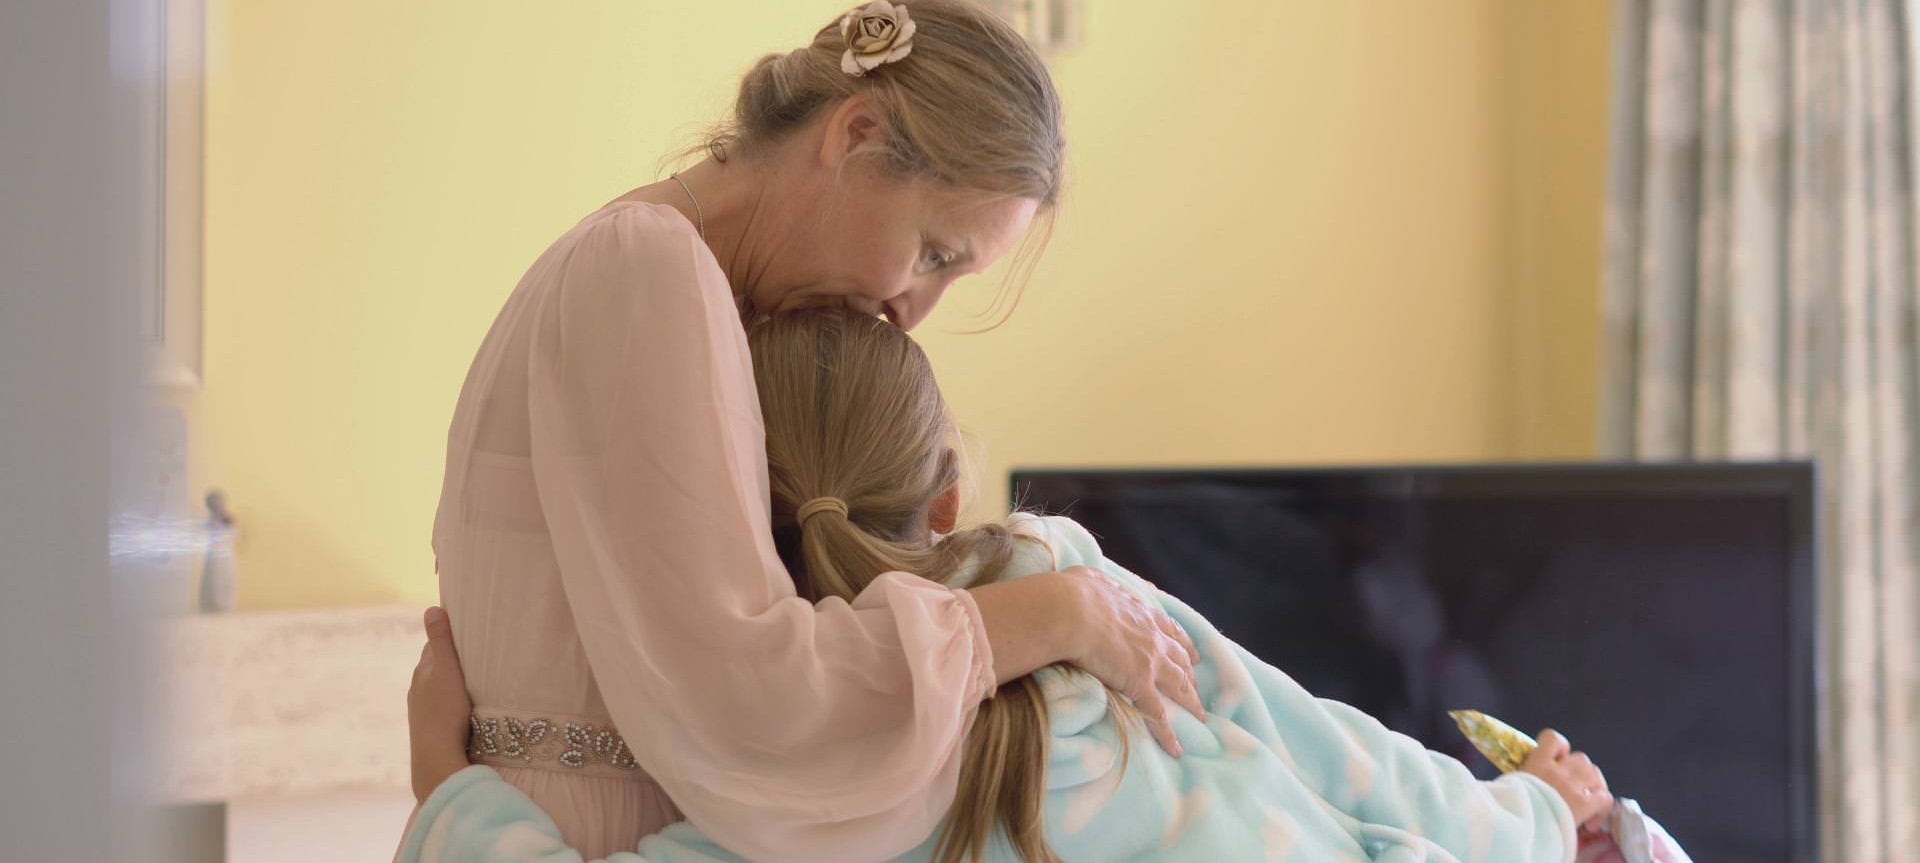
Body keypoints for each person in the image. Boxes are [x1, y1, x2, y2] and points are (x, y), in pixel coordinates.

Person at [427, 0, 1204, 861]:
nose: (913, 311)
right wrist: (1058, 612)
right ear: (856, 133)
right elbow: (749, 699)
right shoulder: (646, 267)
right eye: (934, 253)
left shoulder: (672, 282)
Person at [403, 309, 1613, 863]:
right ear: (943, 503)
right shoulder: (1056, 574)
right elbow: (1331, 756)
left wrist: (446, 784)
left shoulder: (766, 788)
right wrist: (1548, 815)